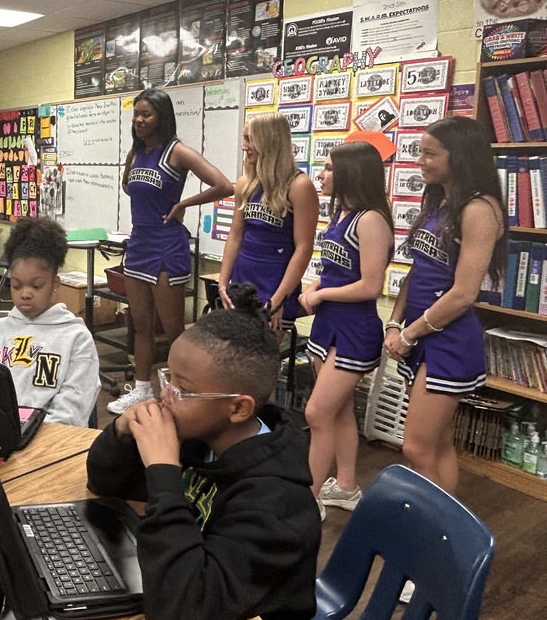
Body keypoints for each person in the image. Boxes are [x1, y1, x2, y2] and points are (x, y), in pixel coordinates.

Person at [86, 284, 320, 620]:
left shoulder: (275, 506)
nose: (166, 395)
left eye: (183, 389)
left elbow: (185, 608)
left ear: (238, 408)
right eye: (168, 378)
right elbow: (105, 484)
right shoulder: (200, 438)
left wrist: (164, 471)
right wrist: (122, 434)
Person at [383, 117, 507, 494]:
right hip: (421, 335)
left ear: (460, 157)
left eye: (430, 153)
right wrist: (393, 323)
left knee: (415, 447)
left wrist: (409, 332)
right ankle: (443, 537)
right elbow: (416, 273)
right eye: (420, 151)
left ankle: (433, 534)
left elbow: (464, 293)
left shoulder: (479, 209)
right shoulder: (440, 201)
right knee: (435, 445)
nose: (420, 160)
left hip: (449, 340)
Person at [107, 88, 234, 415]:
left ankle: (182, 390)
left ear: (161, 117)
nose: (138, 119)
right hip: (139, 244)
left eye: (146, 114)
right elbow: (128, 186)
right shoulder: (135, 154)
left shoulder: (178, 152)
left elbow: (224, 185)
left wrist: (183, 204)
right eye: (136, 113)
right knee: (141, 324)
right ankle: (141, 389)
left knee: (173, 328)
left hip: (167, 245)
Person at [300, 142, 393, 521]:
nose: (320, 175)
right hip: (328, 324)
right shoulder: (341, 215)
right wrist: (314, 285)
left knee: (317, 412)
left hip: (354, 329)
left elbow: (371, 286)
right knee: (337, 413)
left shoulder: (371, 220)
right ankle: (347, 486)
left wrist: (321, 293)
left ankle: (309, 497)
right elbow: (337, 269)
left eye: (328, 168)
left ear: (351, 173)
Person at [0, 217, 100, 427]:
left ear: (55, 283)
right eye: (16, 286)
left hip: (50, 440)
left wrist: (29, 435)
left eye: (36, 286)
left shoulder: (76, 338)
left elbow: (73, 408)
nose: (25, 294)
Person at [219, 112, 319, 336]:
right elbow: (235, 236)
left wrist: (279, 297)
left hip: (275, 281)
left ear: (269, 140)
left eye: (249, 139)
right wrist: (223, 283)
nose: (244, 146)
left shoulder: (299, 185)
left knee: (260, 360)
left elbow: (303, 248)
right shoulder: (245, 183)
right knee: (234, 357)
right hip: (243, 277)